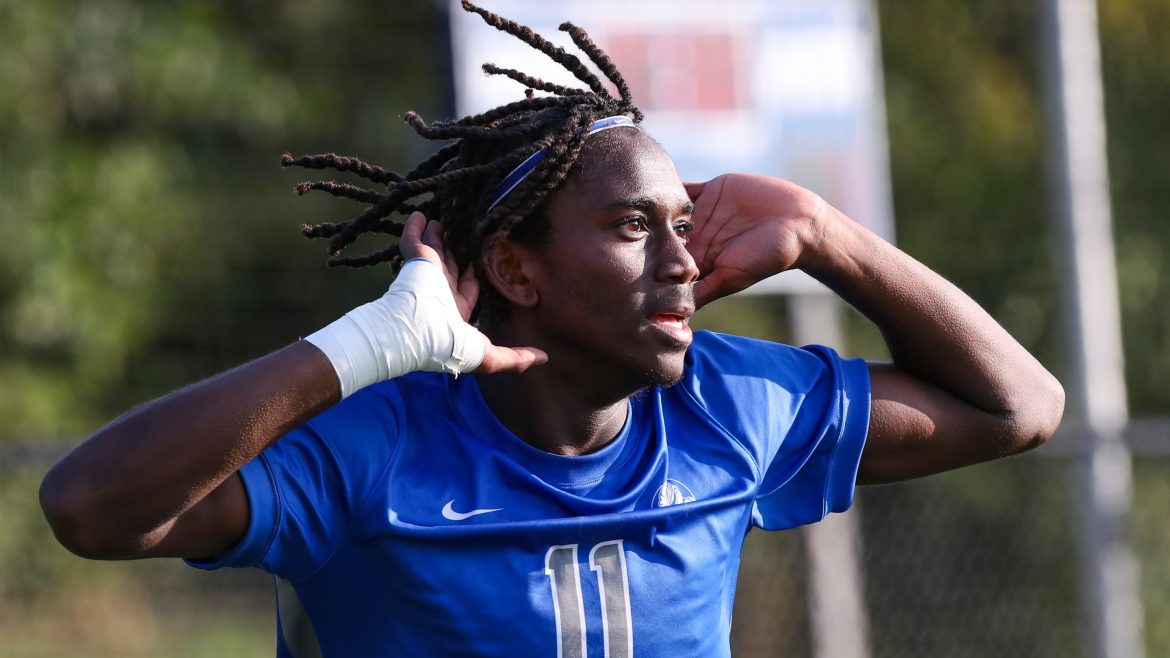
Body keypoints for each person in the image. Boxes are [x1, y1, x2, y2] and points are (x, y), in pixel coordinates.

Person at [39, 2, 1065, 656]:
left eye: (681, 223)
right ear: (515, 268)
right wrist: (357, 349)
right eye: (630, 227)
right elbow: (90, 508)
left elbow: (1019, 406)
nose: (678, 257)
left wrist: (828, 233)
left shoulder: (728, 407)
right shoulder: (378, 442)